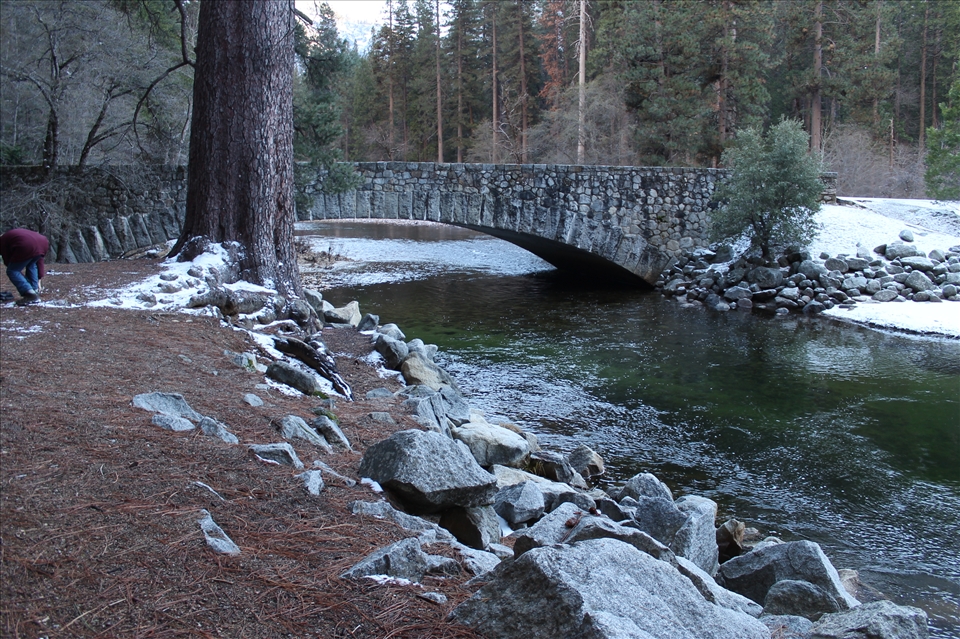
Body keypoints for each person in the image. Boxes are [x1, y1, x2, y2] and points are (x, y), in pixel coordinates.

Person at [0, 227, 49, 305]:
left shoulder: (2, 241)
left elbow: (9, 263)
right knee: (31, 264)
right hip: (43, 242)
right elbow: (39, 261)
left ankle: (30, 294)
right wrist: (39, 278)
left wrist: (22, 277)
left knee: (12, 271)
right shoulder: (12, 236)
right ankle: (34, 290)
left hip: (25, 244)